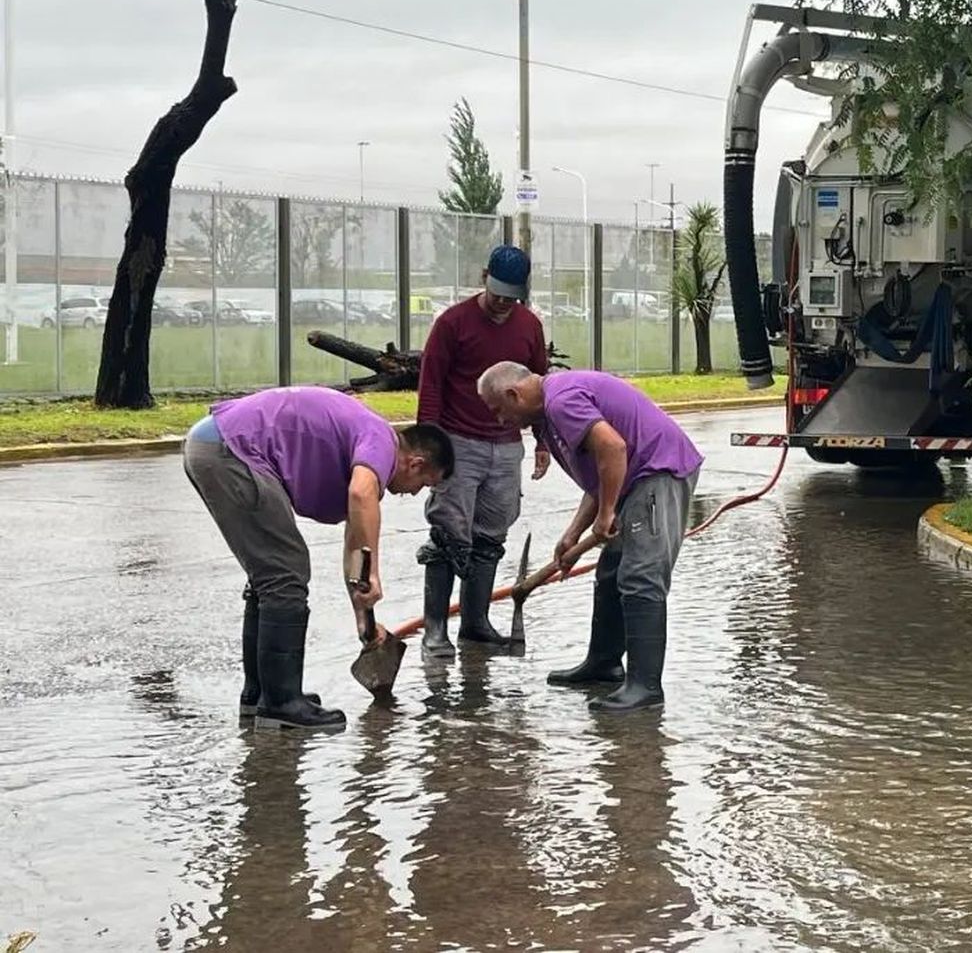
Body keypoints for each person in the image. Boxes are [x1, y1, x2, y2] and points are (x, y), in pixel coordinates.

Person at [183, 385, 454, 732]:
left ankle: (261, 696)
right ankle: (281, 704)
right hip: (231, 449)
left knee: (272, 575)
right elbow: (361, 494)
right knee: (285, 574)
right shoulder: (381, 441)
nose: (414, 493)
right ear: (416, 463)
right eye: (423, 484)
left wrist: (362, 615)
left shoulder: (368, 439)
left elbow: (355, 539)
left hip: (218, 444)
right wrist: (374, 577)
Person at [476, 362, 704, 713]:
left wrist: (606, 513)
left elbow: (613, 449)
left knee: (641, 577)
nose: (499, 420)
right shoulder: (550, 414)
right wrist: (573, 534)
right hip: (634, 478)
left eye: (497, 410)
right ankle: (604, 663)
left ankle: (645, 687)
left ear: (513, 394)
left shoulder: (561, 401)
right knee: (611, 572)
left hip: (657, 473)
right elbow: (601, 472)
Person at [415, 244, 551, 659]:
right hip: (459, 444)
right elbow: (431, 385)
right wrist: (431, 449)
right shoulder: (452, 323)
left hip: (506, 448)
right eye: (497, 296)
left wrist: (542, 440)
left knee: (491, 536)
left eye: (512, 298)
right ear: (482, 278)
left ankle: (475, 624)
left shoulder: (529, 326)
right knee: (448, 534)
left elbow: (539, 387)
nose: (502, 306)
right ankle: (435, 630)